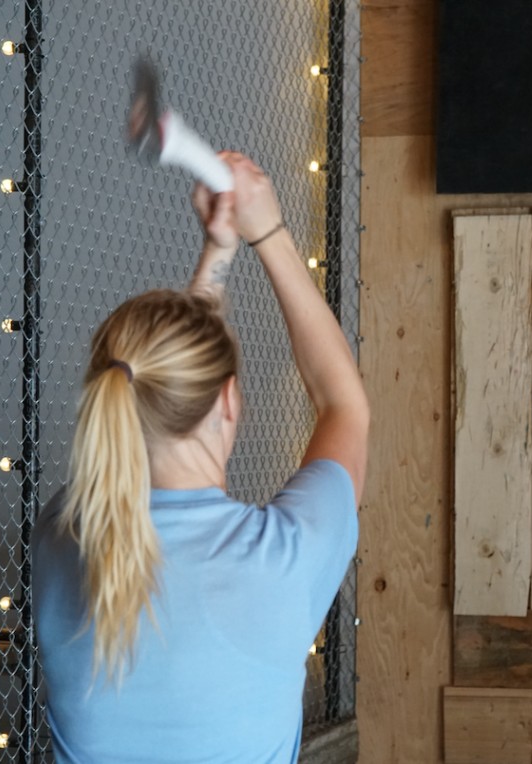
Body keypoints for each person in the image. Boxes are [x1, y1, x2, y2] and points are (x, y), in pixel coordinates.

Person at [32, 152, 369, 764]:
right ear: (230, 402)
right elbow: (344, 405)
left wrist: (219, 254)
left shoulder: (63, 533)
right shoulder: (285, 558)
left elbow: (161, 380)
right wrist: (264, 231)